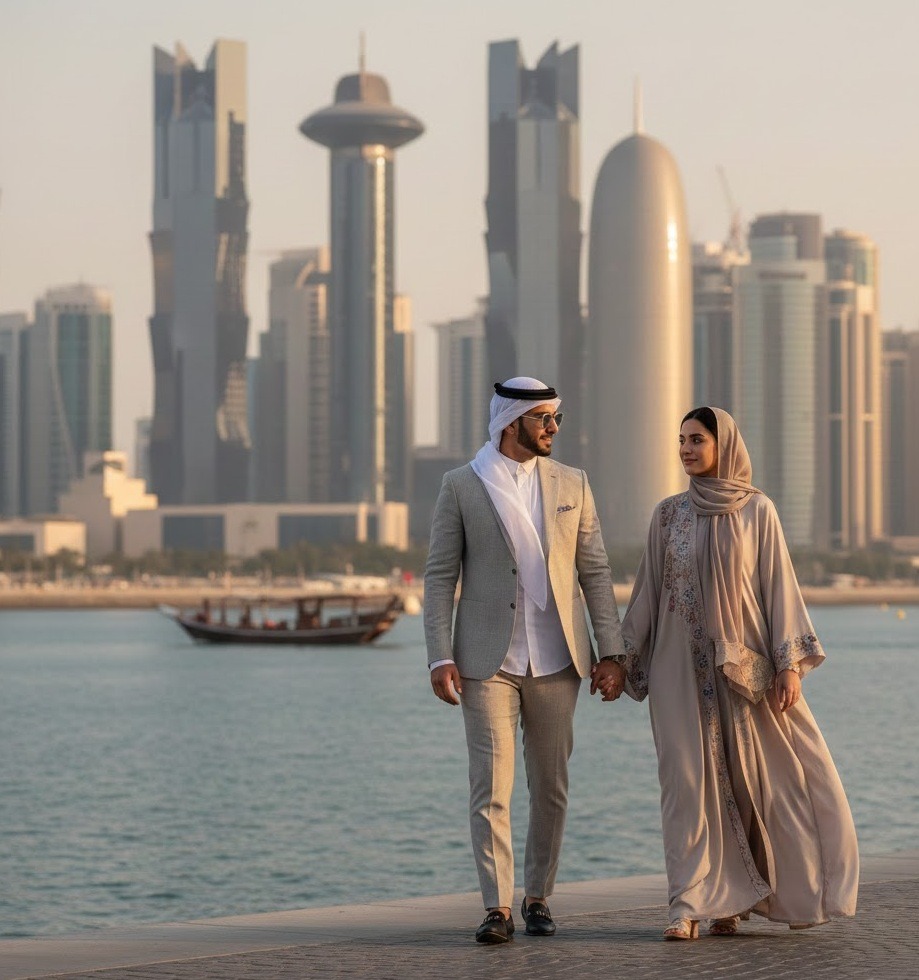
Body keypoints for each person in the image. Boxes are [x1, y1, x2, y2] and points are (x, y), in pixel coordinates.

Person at [592, 406, 858, 939]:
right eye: (681, 440)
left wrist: (789, 667)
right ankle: (687, 904)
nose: (686, 449)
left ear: (724, 445)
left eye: (697, 440)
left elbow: (779, 588)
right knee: (685, 785)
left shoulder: (758, 511)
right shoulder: (667, 515)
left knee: (759, 782)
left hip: (743, 673)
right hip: (675, 672)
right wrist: (618, 659)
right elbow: (646, 595)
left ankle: (740, 899)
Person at [424, 377, 626, 944]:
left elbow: (596, 573)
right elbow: (440, 578)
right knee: (490, 786)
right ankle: (497, 908)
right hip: (486, 662)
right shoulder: (461, 486)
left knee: (551, 786)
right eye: (543, 419)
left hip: (560, 660)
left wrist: (610, 652)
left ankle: (538, 897)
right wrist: (439, 655)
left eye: (555, 418)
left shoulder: (574, 484)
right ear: (511, 423)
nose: (554, 428)